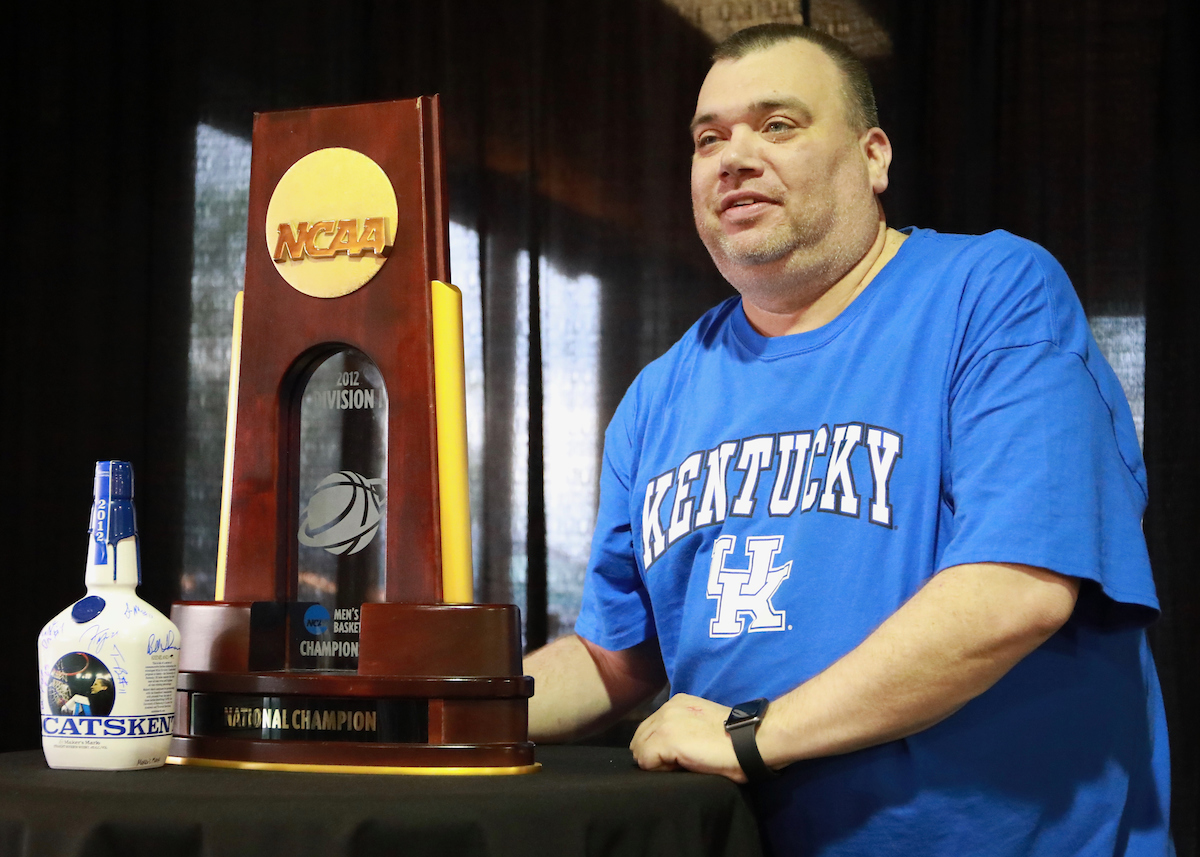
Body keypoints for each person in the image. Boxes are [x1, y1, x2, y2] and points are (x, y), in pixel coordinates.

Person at [524, 23, 1172, 857]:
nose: (734, 155)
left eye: (778, 124)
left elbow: (1017, 586)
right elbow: (614, 662)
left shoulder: (990, 292)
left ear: (874, 157)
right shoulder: (660, 394)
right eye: (708, 137)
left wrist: (757, 732)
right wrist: (422, 711)